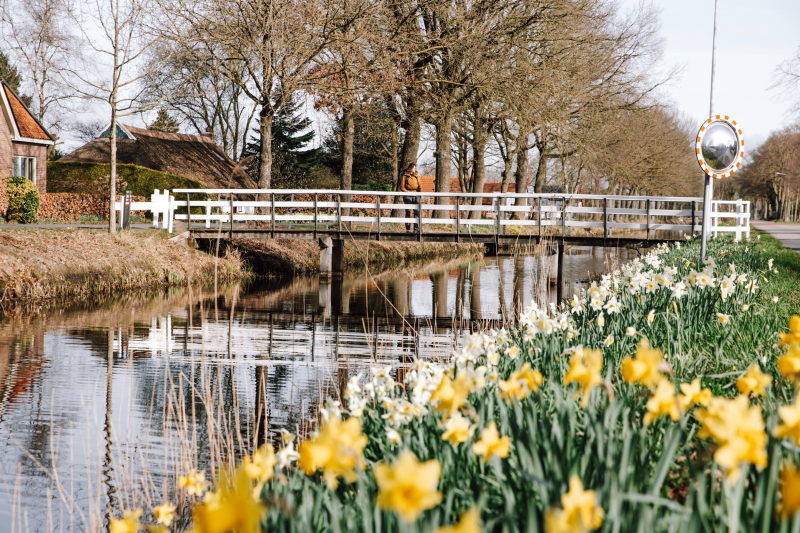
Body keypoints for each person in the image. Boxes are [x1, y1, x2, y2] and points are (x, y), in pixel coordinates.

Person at [399, 162, 421, 231]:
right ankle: (408, 228)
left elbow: (420, 186)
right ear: (410, 168)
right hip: (408, 195)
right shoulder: (405, 176)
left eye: (415, 168)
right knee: (408, 211)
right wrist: (405, 191)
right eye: (414, 167)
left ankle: (416, 228)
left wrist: (421, 195)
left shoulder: (417, 176)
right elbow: (402, 186)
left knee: (416, 211)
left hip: (416, 194)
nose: (415, 169)